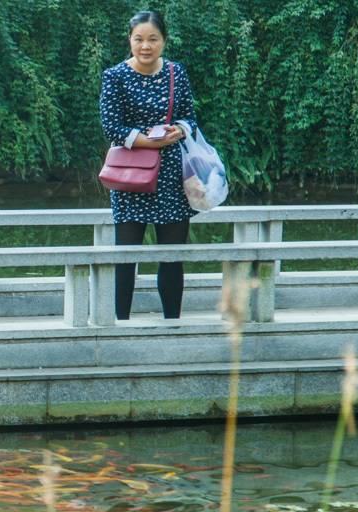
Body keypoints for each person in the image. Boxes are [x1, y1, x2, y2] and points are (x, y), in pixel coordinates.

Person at [99, 10, 198, 320]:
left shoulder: (176, 73)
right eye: (139, 39)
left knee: (172, 258)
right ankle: (120, 323)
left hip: (171, 175)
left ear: (163, 41)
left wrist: (179, 129)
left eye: (152, 39)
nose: (145, 46)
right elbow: (111, 126)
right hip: (131, 177)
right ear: (129, 40)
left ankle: (172, 323)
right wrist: (145, 141)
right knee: (125, 258)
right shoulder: (115, 76)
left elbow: (190, 117)